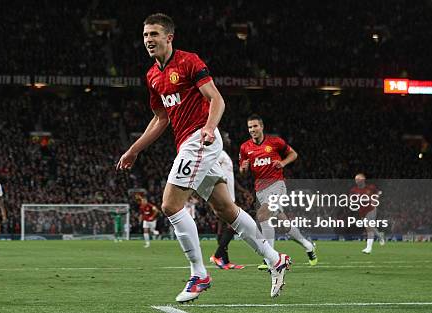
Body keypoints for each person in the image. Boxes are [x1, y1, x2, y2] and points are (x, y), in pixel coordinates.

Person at [117, 13, 290, 303]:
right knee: (226, 209)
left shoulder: (188, 61)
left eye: (154, 34)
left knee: (170, 205)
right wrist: (134, 149)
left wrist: (209, 128)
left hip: (201, 139)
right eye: (146, 35)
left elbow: (216, 98)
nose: (149, 40)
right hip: (189, 142)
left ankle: (199, 274)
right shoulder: (153, 76)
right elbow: (161, 118)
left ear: (169, 37)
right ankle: (275, 259)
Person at [239, 114, 317, 270]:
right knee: (284, 224)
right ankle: (308, 245)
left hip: (277, 185)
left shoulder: (275, 142)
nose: (252, 129)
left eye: (255, 126)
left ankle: (271, 260)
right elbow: (242, 171)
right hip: (260, 190)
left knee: (262, 215)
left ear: (261, 127)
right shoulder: (245, 147)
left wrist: (282, 163)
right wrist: (243, 168)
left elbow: (293, 154)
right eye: (250, 127)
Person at [209, 131, 245, 270]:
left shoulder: (224, 155)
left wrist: (242, 191)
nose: (229, 139)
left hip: (228, 196)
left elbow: (229, 177)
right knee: (234, 226)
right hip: (224, 198)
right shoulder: (217, 154)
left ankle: (225, 261)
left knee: (222, 228)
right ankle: (217, 256)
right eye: (227, 137)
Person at [350, 173, 384, 254]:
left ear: (363, 179)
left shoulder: (371, 187)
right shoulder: (354, 190)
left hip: (371, 209)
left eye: (358, 179)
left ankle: (369, 248)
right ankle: (380, 236)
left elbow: (379, 192)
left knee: (368, 227)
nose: (356, 181)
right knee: (371, 227)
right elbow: (351, 198)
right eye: (355, 179)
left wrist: (375, 199)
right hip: (362, 211)